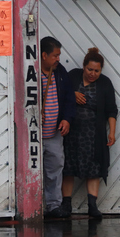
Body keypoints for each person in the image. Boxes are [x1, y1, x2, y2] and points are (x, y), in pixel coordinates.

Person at [60, 48, 118, 218]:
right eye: (90, 69)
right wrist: (72, 94)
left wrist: (112, 132)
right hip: (70, 133)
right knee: (68, 167)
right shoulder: (72, 77)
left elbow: (111, 111)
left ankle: (92, 206)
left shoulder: (105, 84)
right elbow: (58, 94)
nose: (93, 74)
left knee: (94, 168)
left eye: (97, 71)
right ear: (83, 67)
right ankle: (66, 204)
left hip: (93, 135)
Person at [40, 36, 75, 218]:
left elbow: (69, 98)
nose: (58, 59)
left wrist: (67, 119)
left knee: (55, 169)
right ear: (44, 55)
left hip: (54, 133)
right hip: (34, 134)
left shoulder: (60, 72)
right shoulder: (32, 72)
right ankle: (32, 207)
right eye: (55, 55)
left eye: (59, 55)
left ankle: (53, 206)